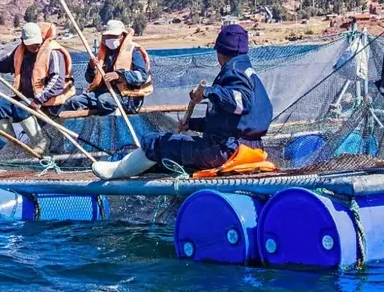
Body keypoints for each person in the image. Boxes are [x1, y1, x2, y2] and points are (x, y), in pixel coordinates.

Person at [92, 24, 273, 180]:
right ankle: (134, 168)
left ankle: (117, 171)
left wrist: (209, 91)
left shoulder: (233, 72)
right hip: (249, 147)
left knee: (157, 142)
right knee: (165, 155)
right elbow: (234, 122)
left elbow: (242, 103)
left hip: (221, 152)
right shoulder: (250, 73)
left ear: (221, 51)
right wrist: (193, 124)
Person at [0, 22, 75, 153]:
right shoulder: (20, 52)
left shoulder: (53, 52)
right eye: (31, 44)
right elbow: (3, 64)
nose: (35, 46)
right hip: (26, 99)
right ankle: (14, 144)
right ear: (23, 41)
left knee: (21, 108)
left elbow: (58, 82)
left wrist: (39, 100)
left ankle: (40, 142)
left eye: (37, 42)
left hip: (50, 101)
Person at [63, 19, 152, 116]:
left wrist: (119, 75)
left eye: (114, 36)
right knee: (74, 101)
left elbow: (142, 76)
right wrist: (92, 67)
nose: (110, 39)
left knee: (104, 101)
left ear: (122, 36)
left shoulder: (133, 51)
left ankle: (113, 115)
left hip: (126, 96)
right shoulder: (103, 53)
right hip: (102, 92)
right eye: (107, 37)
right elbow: (90, 79)